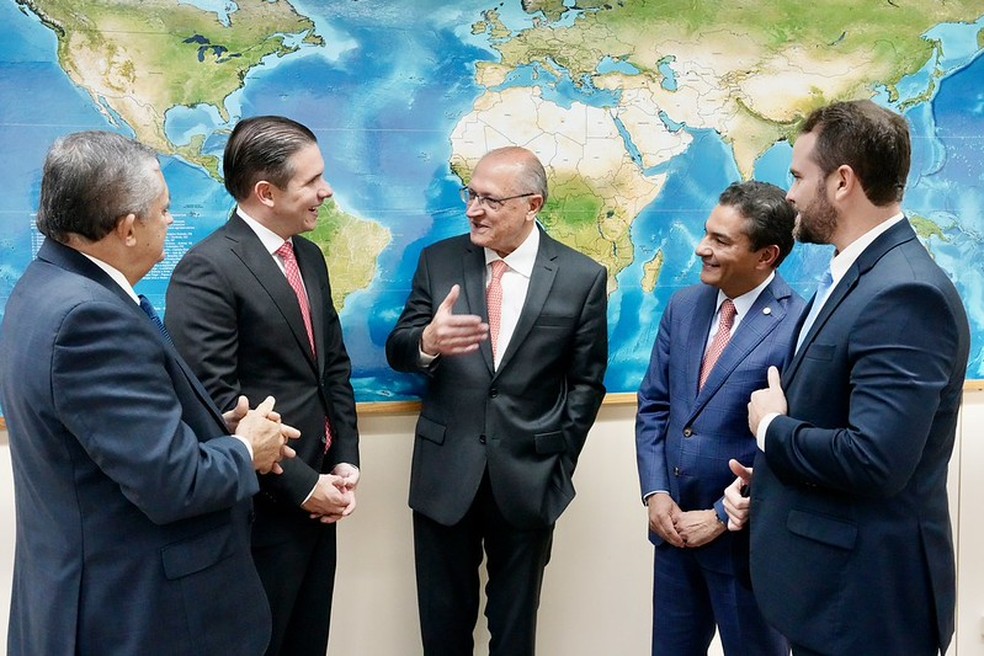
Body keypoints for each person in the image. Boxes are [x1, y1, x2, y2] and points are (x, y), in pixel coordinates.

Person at [0, 131, 298, 655]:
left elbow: (111, 443)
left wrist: (214, 432)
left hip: (91, 593)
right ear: (128, 228)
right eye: (164, 210)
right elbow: (172, 484)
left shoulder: (44, 284)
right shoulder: (88, 318)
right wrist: (246, 450)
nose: (170, 221)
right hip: (140, 614)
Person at [727, 100, 970, 655]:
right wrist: (767, 478)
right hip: (830, 593)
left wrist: (771, 432)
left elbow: (875, 459)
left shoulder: (906, 293)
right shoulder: (856, 275)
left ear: (841, 182)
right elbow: (834, 416)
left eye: (797, 176)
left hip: (864, 605)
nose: (788, 194)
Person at [386, 146, 608, 655]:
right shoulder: (439, 261)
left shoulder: (580, 277)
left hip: (528, 478)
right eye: (472, 194)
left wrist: (558, 460)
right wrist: (426, 343)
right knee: (443, 626)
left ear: (532, 205)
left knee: (514, 628)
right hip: (446, 473)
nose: (473, 209)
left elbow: (586, 383)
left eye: (489, 199)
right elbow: (399, 348)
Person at [165, 116, 361, 656]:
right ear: (266, 192)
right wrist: (302, 486)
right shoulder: (207, 269)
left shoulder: (310, 257)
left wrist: (344, 461)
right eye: (312, 181)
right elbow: (218, 404)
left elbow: (333, 369)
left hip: (320, 500)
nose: (326, 191)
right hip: (260, 512)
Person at [635, 181, 800, 656]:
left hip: (745, 549)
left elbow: (788, 442)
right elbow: (655, 407)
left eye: (721, 241)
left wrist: (722, 515)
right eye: (708, 233)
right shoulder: (684, 306)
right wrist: (656, 493)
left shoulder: (798, 326)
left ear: (766, 255)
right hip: (673, 536)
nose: (702, 248)